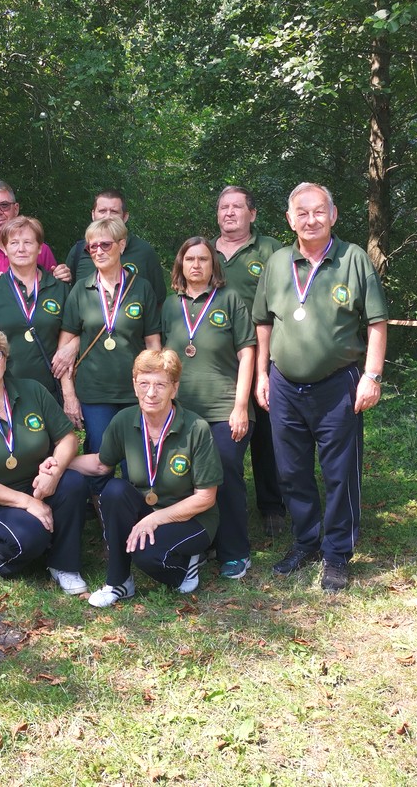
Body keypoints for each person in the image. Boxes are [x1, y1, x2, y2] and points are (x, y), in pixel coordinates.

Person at [254, 183, 389, 592]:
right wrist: (261, 374)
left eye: (318, 212)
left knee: (340, 473)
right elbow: (263, 323)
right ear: (289, 219)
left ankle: (336, 555)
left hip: (338, 384)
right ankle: (306, 542)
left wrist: (372, 375)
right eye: (302, 212)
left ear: (333, 215)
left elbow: (377, 323)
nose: (310, 220)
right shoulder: (277, 263)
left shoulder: (353, 259)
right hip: (283, 385)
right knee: (291, 471)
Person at [69, 349, 221, 606]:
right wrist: (60, 463)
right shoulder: (124, 420)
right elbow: (100, 465)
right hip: (147, 512)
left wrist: (153, 519)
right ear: (134, 385)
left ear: (174, 388)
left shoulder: (197, 428)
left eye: (160, 385)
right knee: (114, 490)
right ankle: (118, 583)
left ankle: (187, 563)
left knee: (146, 556)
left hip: (192, 519)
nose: (151, 393)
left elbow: (205, 498)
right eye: (144, 384)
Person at [0, 328, 89, 594]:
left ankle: (64, 566)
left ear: (5, 359)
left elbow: (68, 439)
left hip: (34, 483)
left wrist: (54, 472)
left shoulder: (32, 390)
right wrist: (29, 503)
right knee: (32, 536)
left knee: (73, 482)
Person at [161, 237, 256, 579]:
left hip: (224, 408)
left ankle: (235, 551)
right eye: (190, 259)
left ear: (214, 265)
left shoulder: (230, 300)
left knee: (225, 469)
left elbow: (248, 353)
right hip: (181, 411)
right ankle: (196, 544)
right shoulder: (171, 305)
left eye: (204, 259)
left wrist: (241, 406)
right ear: (180, 265)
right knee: (183, 477)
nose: (197, 265)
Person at [57, 217, 161, 492]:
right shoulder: (81, 290)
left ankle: (138, 518)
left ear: (121, 245)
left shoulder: (142, 288)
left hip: (134, 393)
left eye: (105, 244)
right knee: (101, 460)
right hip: (95, 393)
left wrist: (155, 389)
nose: (99, 251)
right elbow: (64, 350)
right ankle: (104, 518)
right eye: (92, 247)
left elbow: (153, 346)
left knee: (136, 463)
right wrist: (69, 395)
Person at [214, 185, 286, 537]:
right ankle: (216, 503)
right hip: (215, 361)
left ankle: (272, 505)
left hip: (262, 356)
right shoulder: (203, 252)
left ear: (252, 214)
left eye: (237, 207)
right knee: (223, 431)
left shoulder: (272, 250)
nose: (229, 213)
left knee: (266, 434)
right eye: (224, 207)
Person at [0, 216, 68, 398]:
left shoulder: (60, 288)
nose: (21, 249)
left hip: (51, 389)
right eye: (14, 243)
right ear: (6, 248)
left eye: (28, 242)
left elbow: (74, 332)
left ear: (40, 248)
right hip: (5, 390)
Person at [60, 188, 167, 307]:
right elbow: (68, 297)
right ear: (93, 215)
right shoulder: (79, 251)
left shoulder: (144, 252)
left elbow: (158, 302)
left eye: (114, 212)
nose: (108, 217)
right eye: (102, 211)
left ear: (125, 217)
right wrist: (60, 278)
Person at [0, 179, 69, 286]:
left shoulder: (41, 250)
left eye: (4, 205)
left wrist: (62, 277)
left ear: (16, 209)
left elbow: (54, 292)